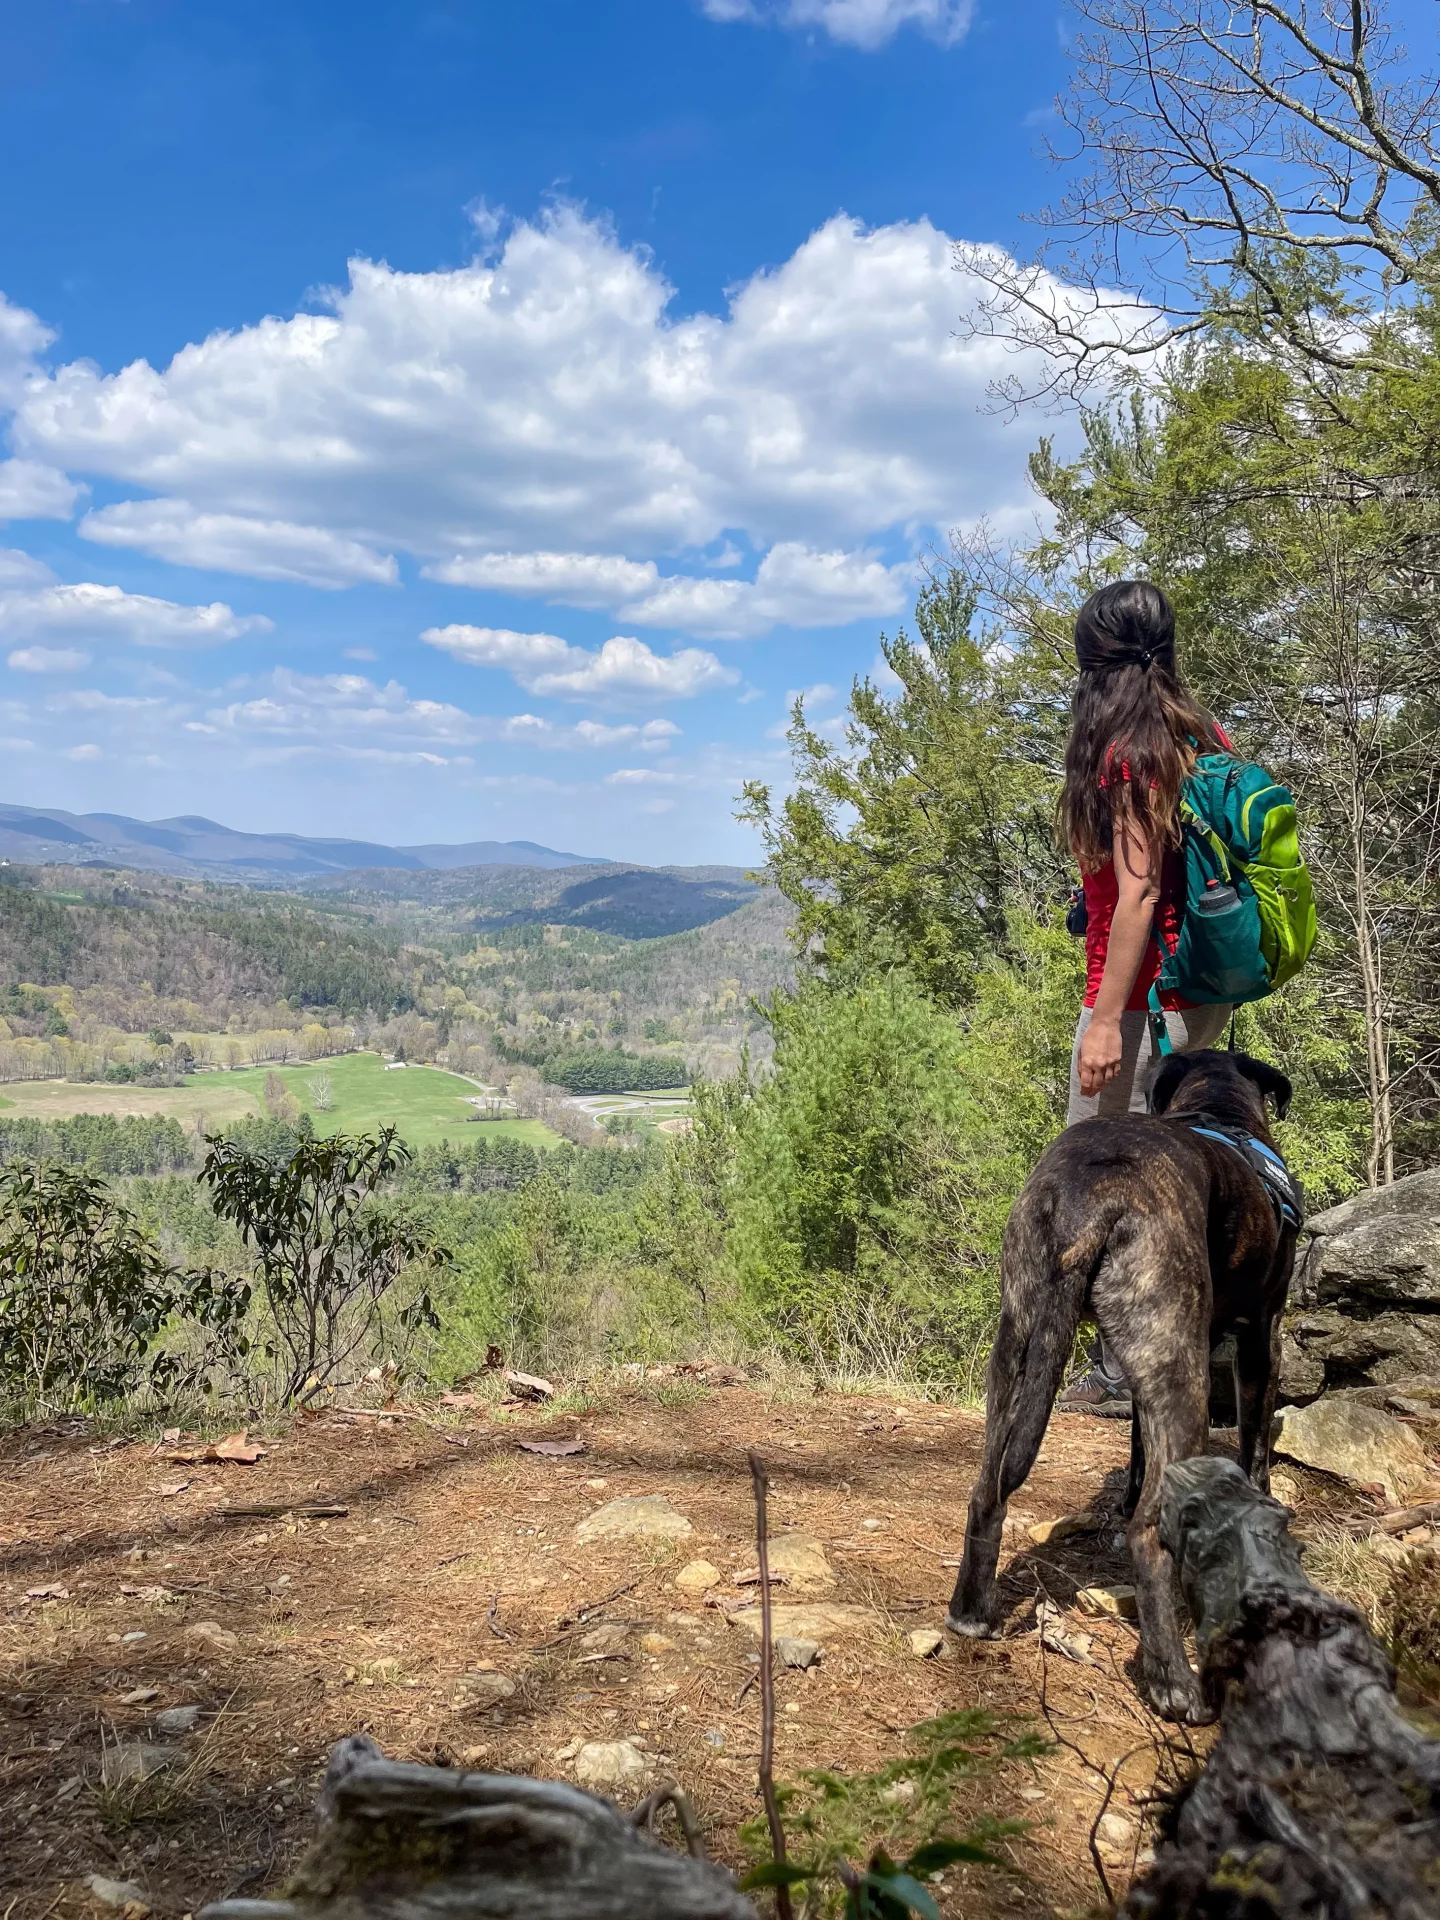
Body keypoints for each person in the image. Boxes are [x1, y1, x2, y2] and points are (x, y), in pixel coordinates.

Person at [1054, 579, 1233, 1412]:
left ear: (1097, 664)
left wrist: (1101, 1022)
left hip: (1144, 999)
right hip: (1194, 989)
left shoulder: (1130, 750)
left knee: (1098, 1172)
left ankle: (1126, 1370)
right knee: (1177, 1174)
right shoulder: (1196, 731)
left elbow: (1138, 896)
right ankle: (1181, 1357)